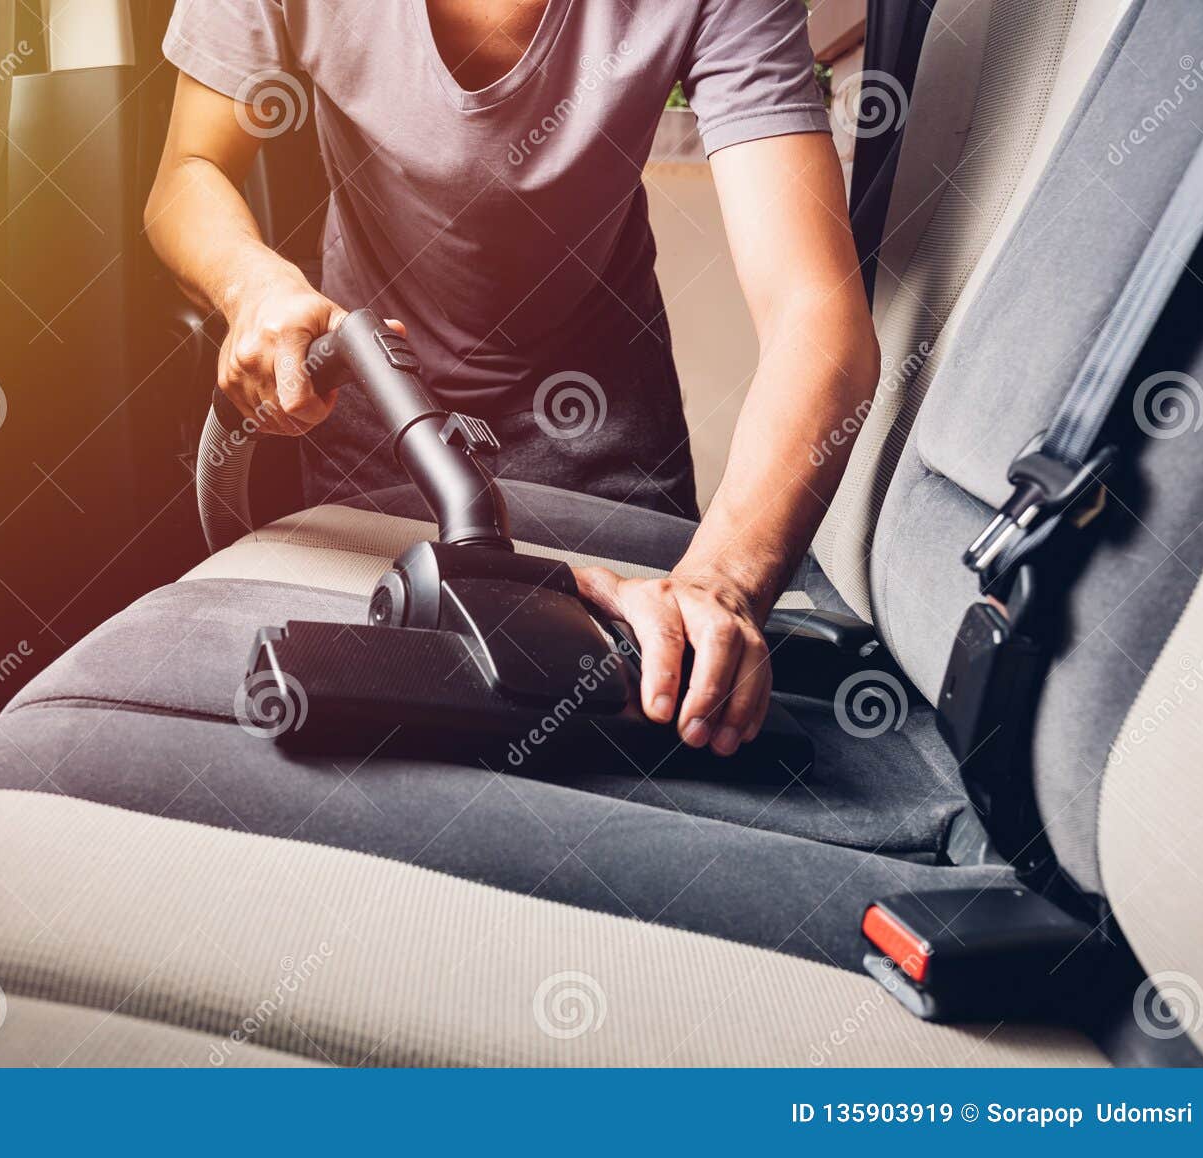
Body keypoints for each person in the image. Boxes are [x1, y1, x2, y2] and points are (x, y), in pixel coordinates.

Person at [146, 0, 880, 757]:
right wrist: (251, 285)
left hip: (605, 437)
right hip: (377, 418)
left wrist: (721, 580)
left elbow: (815, 315)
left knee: (636, 727)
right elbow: (188, 172)